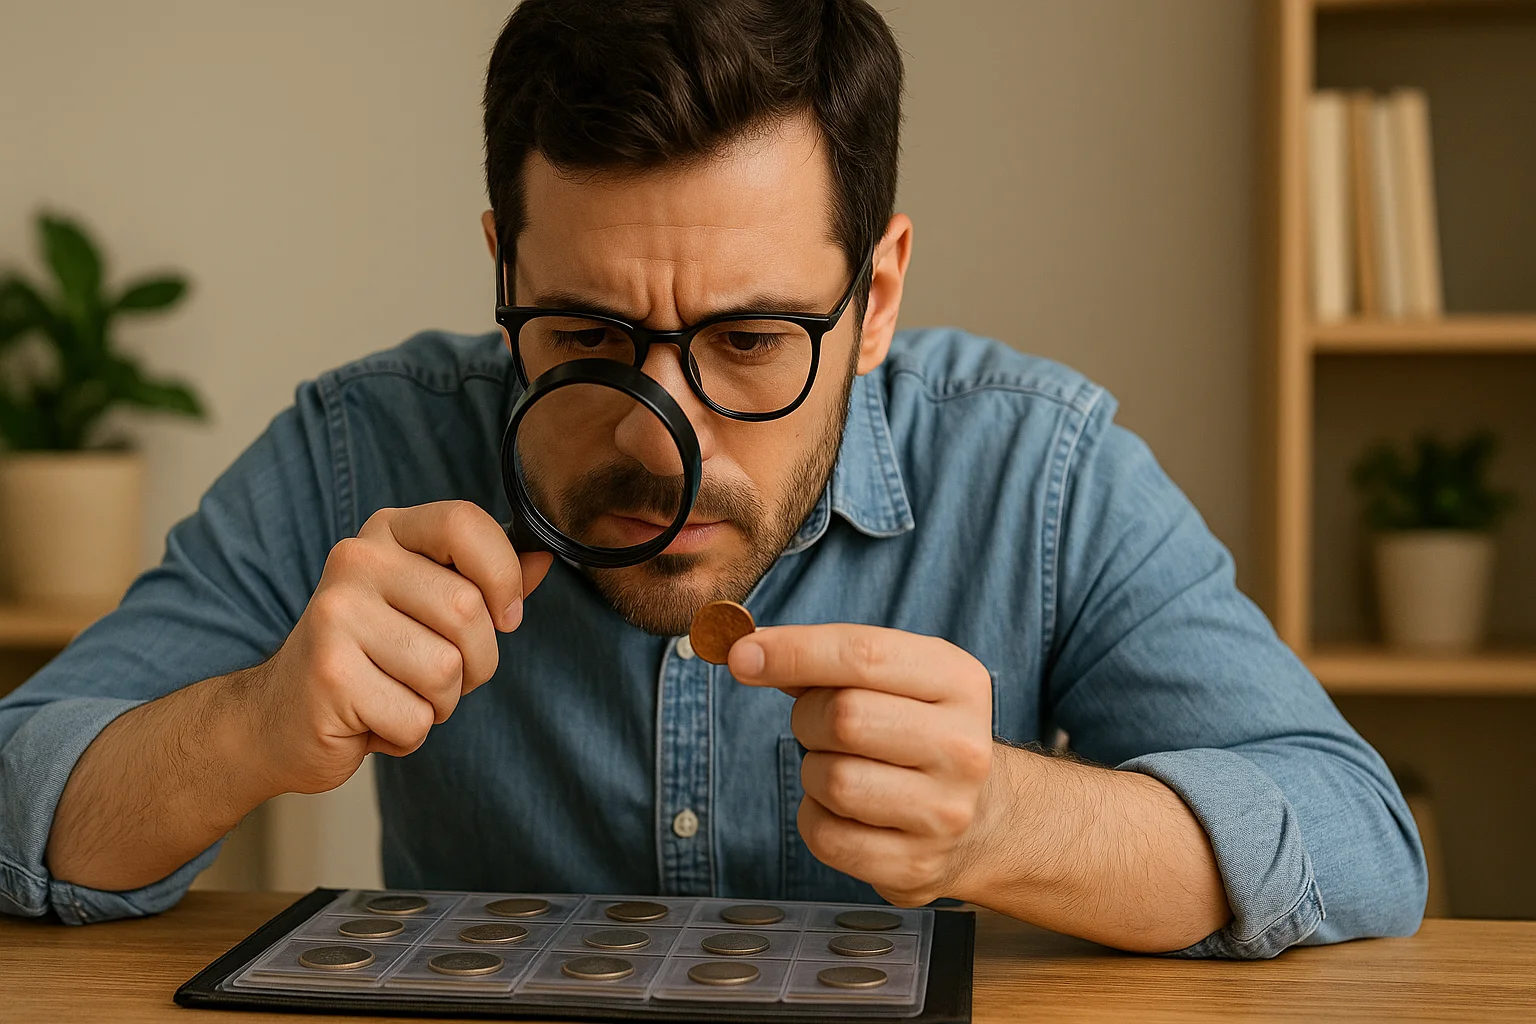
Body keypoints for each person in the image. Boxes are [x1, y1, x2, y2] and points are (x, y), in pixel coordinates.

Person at [0, 0, 1424, 958]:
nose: (650, 434)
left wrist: (1005, 817)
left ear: (876, 296)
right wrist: (251, 727)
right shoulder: (362, 450)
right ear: (506, 264)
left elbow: (1362, 841)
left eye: (749, 340)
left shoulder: (1035, 468)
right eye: (587, 337)